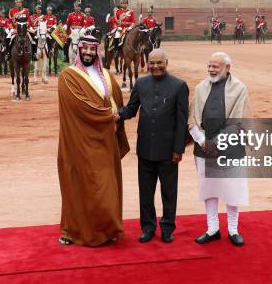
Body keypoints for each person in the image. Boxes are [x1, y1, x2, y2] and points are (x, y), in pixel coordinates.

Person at [57, 35, 130, 246]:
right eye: (85, 49)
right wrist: (110, 116)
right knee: (80, 185)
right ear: (78, 50)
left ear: (97, 51)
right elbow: (81, 105)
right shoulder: (68, 76)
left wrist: (121, 114)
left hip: (105, 141)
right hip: (80, 142)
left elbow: (118, 100)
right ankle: (73, 231)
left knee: (105, 186)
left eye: (92, 49)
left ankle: (106, 230)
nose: (88, 52)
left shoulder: (107, 75)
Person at [117, 49, 189, 244]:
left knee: (168, 192)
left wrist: (178, 149)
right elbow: (132, 109)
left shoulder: (179, 86)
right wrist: (118, 113)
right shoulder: (140, 83)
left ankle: (167, 227)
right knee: (146, 193)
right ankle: (147, 227)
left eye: (159, 62)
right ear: (146, 64)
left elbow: (182, 122)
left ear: (167, 62)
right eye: (152, 63)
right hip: (146, 148)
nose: (156, 66)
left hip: (168, 151)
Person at [188, 52, 249, 247]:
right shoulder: (200, 88)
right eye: (210, 66)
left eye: (216, 67)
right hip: (204, 148)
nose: (212, 70)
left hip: (230, 147)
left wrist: (217, 142)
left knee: (233, 189)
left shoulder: (240, 89)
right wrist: (202, 140)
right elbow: (192, 119)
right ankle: (212, 228)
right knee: (209, 189)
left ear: (227, 68)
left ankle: (233, 229)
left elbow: (239, 121)